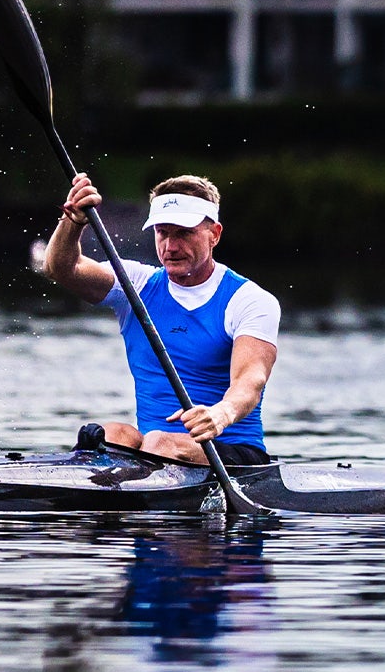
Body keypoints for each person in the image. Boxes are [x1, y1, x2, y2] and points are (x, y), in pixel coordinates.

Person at [40, 173, 282, 466]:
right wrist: (73, 222)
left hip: (232, 453)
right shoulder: (136, 286)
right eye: (162, 233)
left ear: (214, 234)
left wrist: (221, 413)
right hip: (155, 453)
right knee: (110, 435)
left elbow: (250, 381)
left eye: (183, 233)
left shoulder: (249, 300)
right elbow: (61, 268)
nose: (170, 246)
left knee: (158, 441)